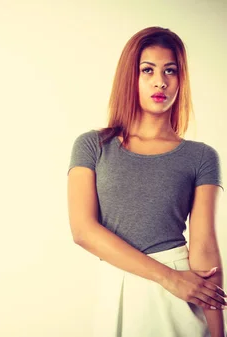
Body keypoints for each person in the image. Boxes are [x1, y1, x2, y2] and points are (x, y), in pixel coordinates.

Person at [67, 26, 225, 337]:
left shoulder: (202, 156)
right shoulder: (92, 146)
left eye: (171, 71)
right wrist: (167, 277)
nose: (160, 81)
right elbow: (82, 231)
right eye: (147, 69)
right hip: (122, 289)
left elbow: (205, 246)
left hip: (181, 295)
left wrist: (219, 333)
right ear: (131, 76)